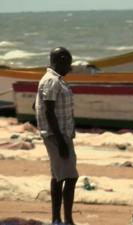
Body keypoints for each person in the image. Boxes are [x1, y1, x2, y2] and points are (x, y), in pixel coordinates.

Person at [35, 47, 79, 225]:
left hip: (62, 134)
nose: (70, 67)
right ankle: (66, 220)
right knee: (71, 177)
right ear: (60, 60)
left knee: (58, 176)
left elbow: (38, 105)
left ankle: (56, 219)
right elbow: (49, 111)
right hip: (57, 136)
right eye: (68, 63)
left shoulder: (53, 80)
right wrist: (60, 140)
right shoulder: (51, 80)